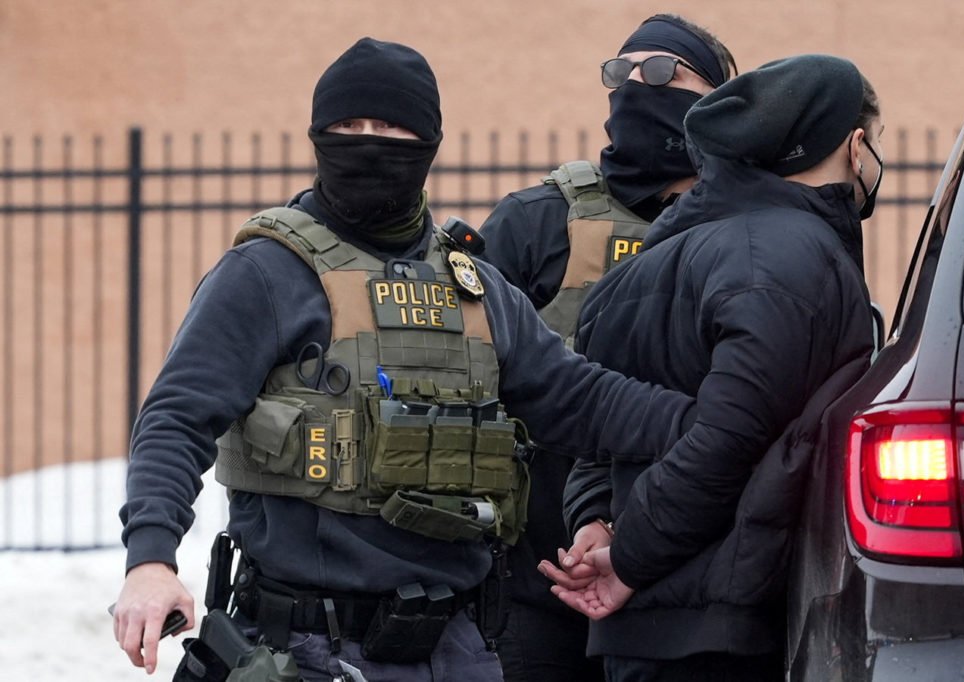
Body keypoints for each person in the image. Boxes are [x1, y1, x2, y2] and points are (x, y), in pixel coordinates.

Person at [111, 37, 698, 682]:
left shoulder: (474, 286)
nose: (367, 141)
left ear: (426, 143)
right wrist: (150, 558)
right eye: (347, 126)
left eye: (390, 126)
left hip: (457, 649)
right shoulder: (266, 273)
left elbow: (580, 400)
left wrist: (720, 422)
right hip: (304, 647)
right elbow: (175, 418)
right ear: (317, 136)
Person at [541, 54, 883, 681]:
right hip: (720, 634)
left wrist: (595, 521)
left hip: (647, 633)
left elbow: (595, 429)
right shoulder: (792, 256)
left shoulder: (652, 260)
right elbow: (732, 436)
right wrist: (630, 560)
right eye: (874, 145)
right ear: (854, 145)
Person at [478, 14, 734, 681]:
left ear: (717, 100)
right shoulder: (540, 219)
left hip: (687, 585)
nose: (635, 87)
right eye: (620, 73)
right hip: (540, 576)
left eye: (660, 72)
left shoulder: (747, 230)